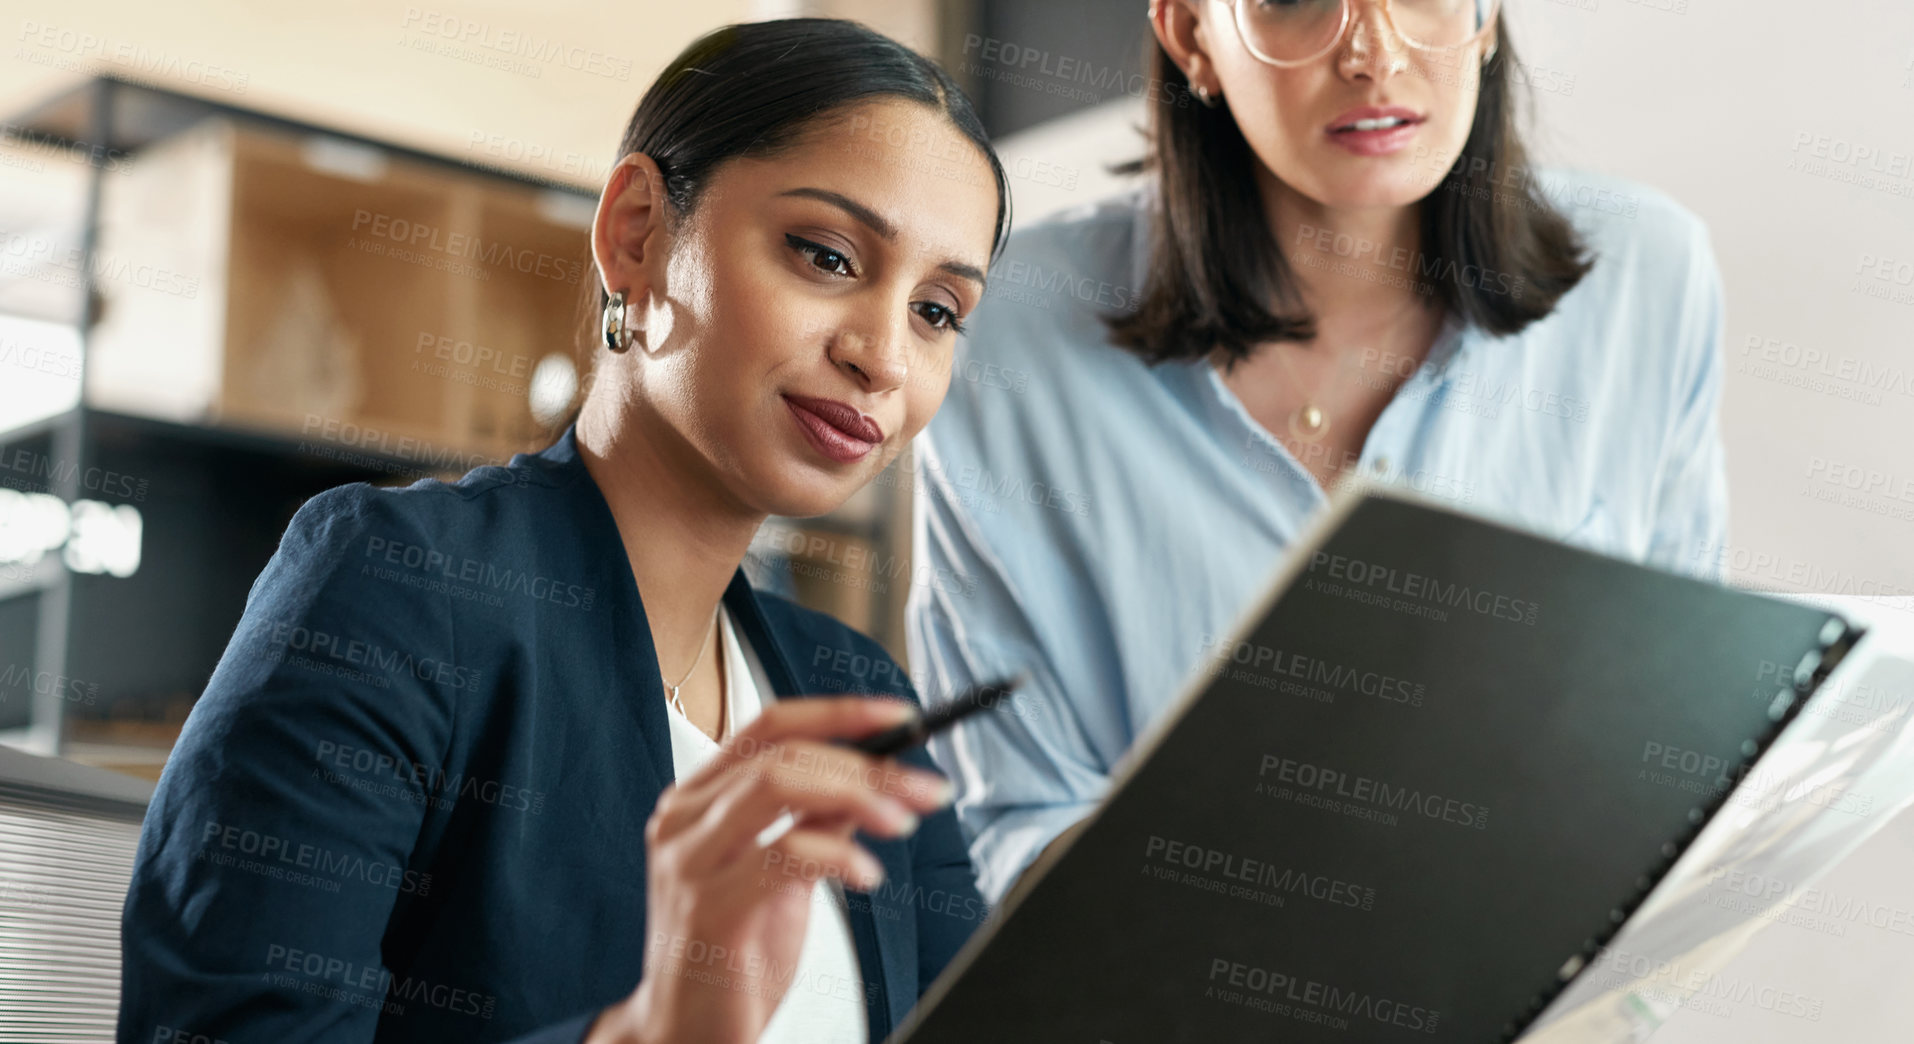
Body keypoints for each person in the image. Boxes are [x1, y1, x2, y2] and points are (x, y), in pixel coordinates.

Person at [118, 18, 1008, 1044]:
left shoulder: (863, 701)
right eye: (827, 255)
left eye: (939, 312)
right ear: (637, 233)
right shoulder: (397, 588)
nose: (883, 357)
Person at [907, 0, 1730, 905]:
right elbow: (1005, 825)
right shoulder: (1004, 331)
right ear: (1190, 35)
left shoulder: (1650, 278)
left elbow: (1677, 754)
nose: (1374, 54)